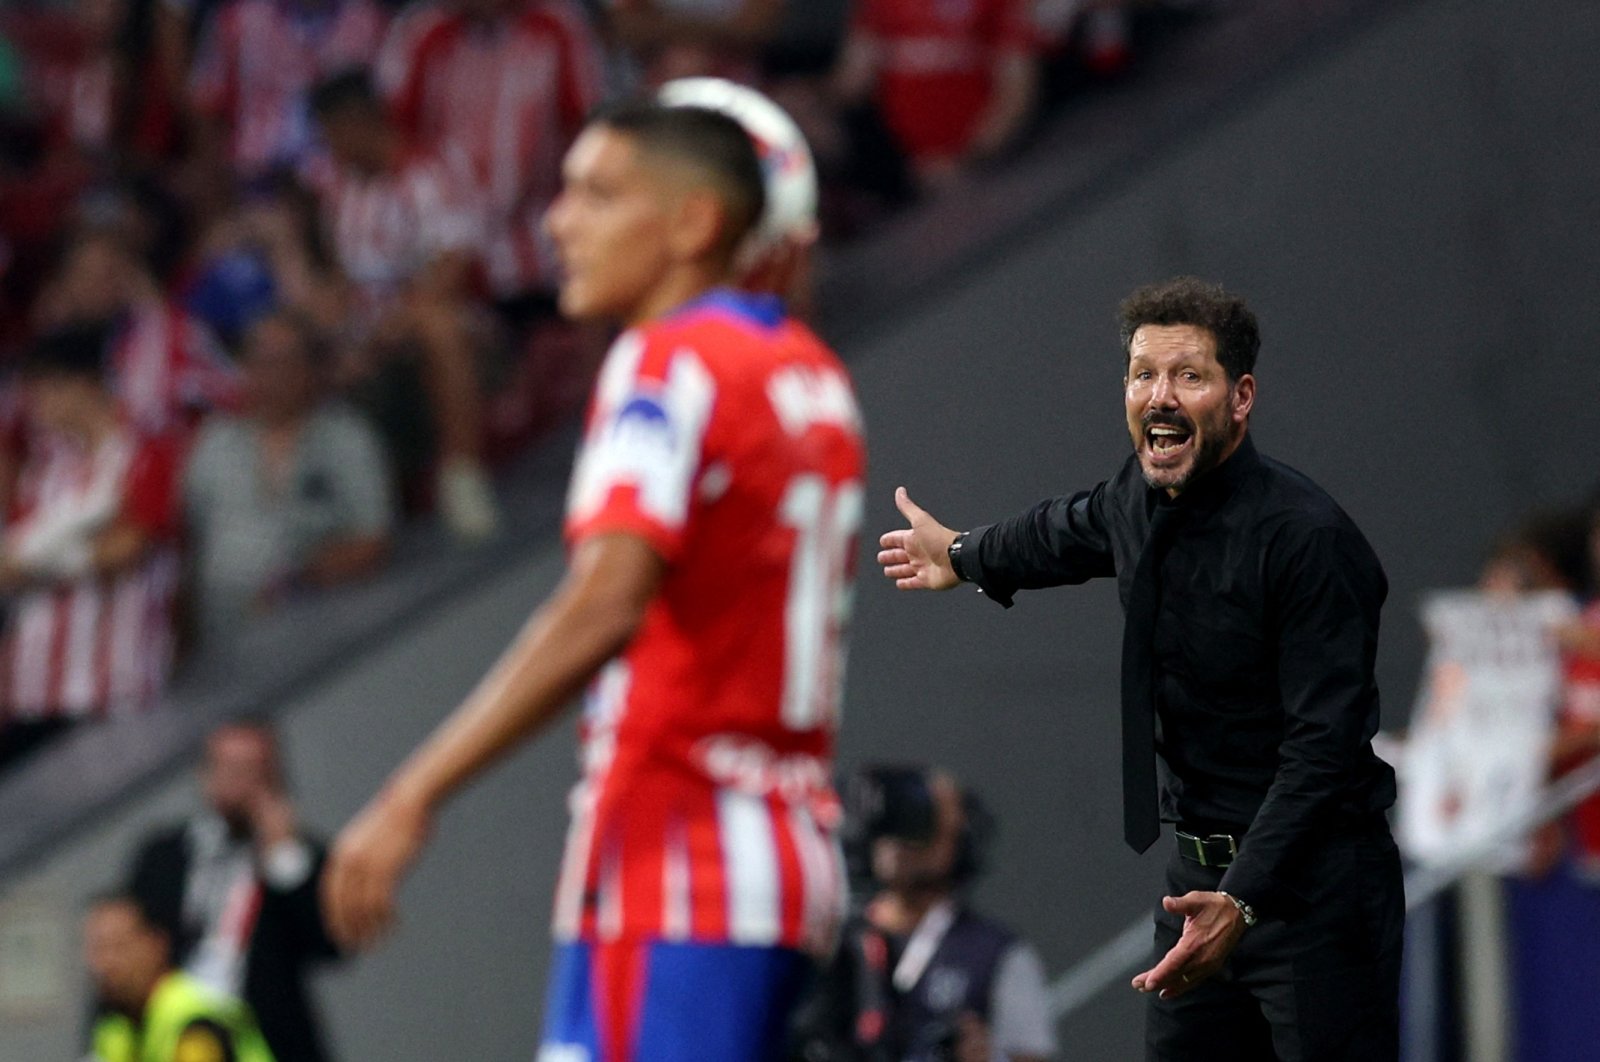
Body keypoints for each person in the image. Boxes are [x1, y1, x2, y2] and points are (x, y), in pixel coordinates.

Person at [323, 99, 867, 1061]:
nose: (557, 222)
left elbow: (605, 600)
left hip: (677, 856)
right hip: (783, 851)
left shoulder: (667, 360)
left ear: (695, 222)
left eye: (598, 195)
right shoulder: (811, 373)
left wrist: (413, 792)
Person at [877, 277, 1403, 1061]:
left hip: (1311, 887)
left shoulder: (1307, 541)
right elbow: (1067, 529)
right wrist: (961, 552)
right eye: (1141, 373)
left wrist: (1243, 898)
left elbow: (1321, 752)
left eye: (1188, 375)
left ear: (1241, 396)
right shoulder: (1138, 498)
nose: (1159, 395)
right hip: (1196, 877)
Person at [305, 67, 498, 540]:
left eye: (329, 133)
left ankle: (463, 477)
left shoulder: (427, 172)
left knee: (438, 328)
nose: (326, 147)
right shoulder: (339, 191)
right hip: (370, 337)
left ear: (354, 122)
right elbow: (341, 281)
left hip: (449, 332)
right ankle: (340, 523)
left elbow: (450, 275)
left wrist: (383, 334)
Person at [0, 322, 182, 769]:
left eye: (43, 390)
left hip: (111, 687)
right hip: (33, 689)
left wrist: (41, 559)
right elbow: (10, 565)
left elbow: (129, 547)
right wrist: (85, 539)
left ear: (82, 383)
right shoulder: (46, 471)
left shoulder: (144, 451)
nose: (33, 405)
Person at [792, 766, 1057, 1062]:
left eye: (920, 819)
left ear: (959, 838)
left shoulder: (997, 954)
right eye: (895, 815)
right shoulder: (829, 937)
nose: (900, 834)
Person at [127, 719, 344, 1062]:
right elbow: (129, 951)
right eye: (231, 769)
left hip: (265, 1040)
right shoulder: (163, 855)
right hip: (175, 1037)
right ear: (205, 774)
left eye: (254, 771)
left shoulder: (301, 856)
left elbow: (330, 947)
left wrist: (285, 858)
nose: (242, 785)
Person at [183, 309, 394, 631]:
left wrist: (296, 582)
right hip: (221, 633)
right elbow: (187, 539)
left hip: (319, 621)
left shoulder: (345, 437)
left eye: (280, 363)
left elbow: (372, 539)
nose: (267, 376)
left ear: (310, 370)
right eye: (257, 363)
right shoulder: (215, 441)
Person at [85, 890, 276, 1062]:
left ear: (157, 944)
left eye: (119, 947)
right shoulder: (114, 1028)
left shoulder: (197, 1023)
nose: (105, 964)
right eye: (97, 949)